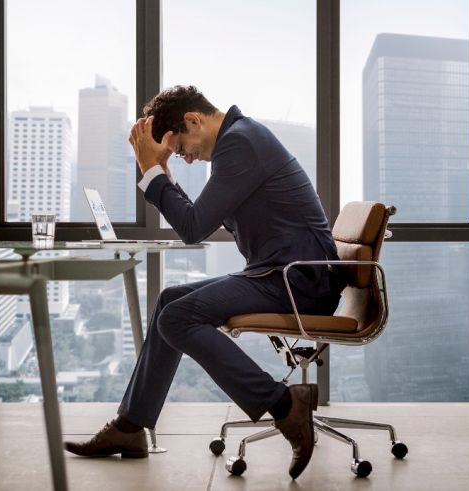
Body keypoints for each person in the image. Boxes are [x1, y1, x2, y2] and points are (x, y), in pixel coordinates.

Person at [64, 85, 344, 479]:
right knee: (169, 302)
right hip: (281, 273)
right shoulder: (241, 140)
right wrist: (161, 175)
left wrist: (152, 172)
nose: (187, 159)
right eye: (179, 155)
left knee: (177, 318)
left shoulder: (241, 144)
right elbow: (198, 218)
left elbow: (193, 227)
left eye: (180, 149)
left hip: (297, 282)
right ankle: (130, 427)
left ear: (193, 120)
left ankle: (284, 404)